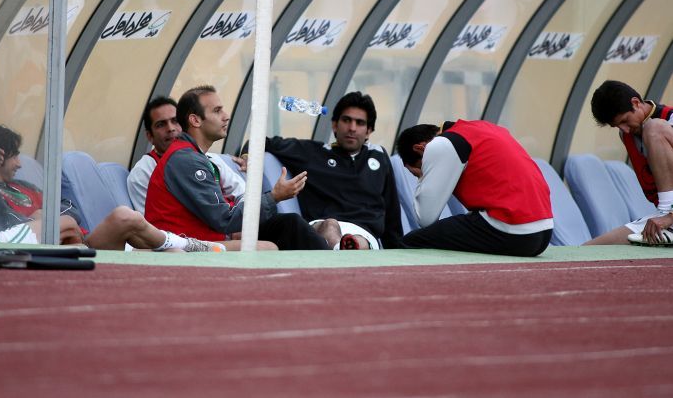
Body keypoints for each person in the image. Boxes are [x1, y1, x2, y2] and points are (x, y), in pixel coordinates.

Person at [0, 100, 224, 252]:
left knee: (71, 224)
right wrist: (33, 220)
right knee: (63, 223)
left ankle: (185, 246)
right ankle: (186, 246)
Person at [144, 85, 329, 250]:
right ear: (195, 120)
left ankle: (327, 266)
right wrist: (275, 197)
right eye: (217, 111)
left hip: (211, 237)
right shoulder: (186, 160)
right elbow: (224, 219)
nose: (226, 116)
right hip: (189, 245)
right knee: (272, 245)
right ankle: (329, 269)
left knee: (289, 225)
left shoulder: (193, 155)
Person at [245, 91, 403, 249]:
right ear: (335, 125)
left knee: (358, 241)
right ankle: (341, 251)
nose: (352, 128)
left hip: (363, 233)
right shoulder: (312, 153)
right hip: (320, 228)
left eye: (360, 123)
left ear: (368, 131)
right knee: (330, 225)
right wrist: (247, 157)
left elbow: (392, 212)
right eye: (346, 120)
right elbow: (261, 141)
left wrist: (397, 248)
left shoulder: (379, 156)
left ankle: (342, 251)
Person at [396, 120, 553, 256]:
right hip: (544, 232)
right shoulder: (482, 129)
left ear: (420, 148)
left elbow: (425, 218)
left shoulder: (441, 144)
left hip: (511, 229)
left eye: (419, 169)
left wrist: (423, 177)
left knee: (410, 241)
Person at [586, 80, 673, 246]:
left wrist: (669, 215)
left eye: (625, 121)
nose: (624, 129)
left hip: (668, 217)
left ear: (636, 103)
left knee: (653, 127)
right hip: (664, 219)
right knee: (587, 251)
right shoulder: (627, 135)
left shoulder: (665, 121)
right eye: (617, 126)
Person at [128, 96, 245, 214]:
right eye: (161, 125)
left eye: (175, 121)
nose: (171, 128)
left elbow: (243, 193)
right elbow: (152, 220)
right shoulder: (143, 172)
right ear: (150, 136)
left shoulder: (209, 158)